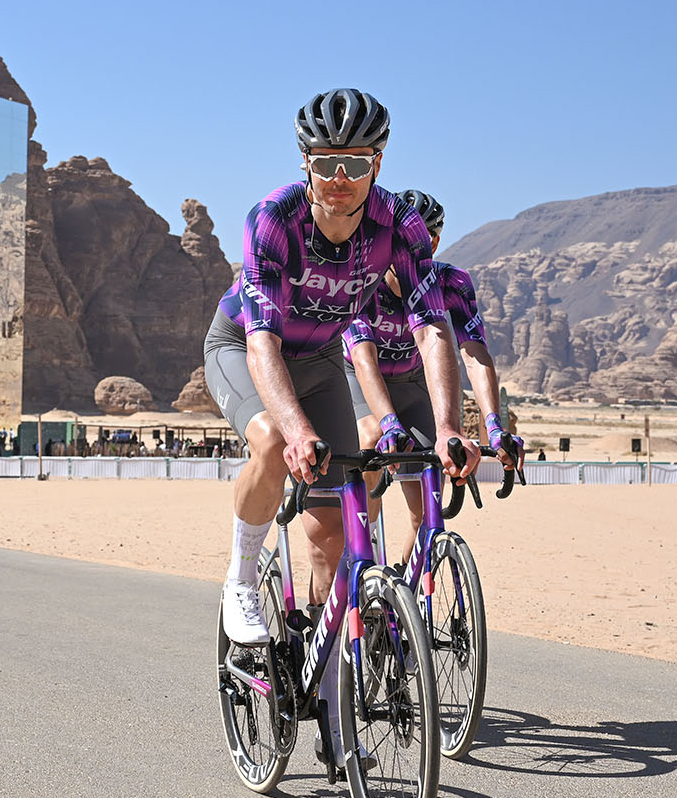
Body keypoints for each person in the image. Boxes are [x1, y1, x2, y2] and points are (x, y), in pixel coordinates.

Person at [204, 89, 476, 651]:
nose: (339, 178)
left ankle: (329, 677)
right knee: (276, 439)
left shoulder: (399, 226)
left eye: (355, 163)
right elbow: (261, 343)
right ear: (306, 161)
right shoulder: (275, 218)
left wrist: (448, 425)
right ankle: (241, 578)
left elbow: (431, 327)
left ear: (377, 162)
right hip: (245, 348)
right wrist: (300, 431)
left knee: (331, 534)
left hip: (322, 358)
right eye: (326, 162)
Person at [343, 191, 524, 565]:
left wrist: (495, 425)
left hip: (412, 384)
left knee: (427, 510)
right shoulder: (362, 281)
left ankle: (401, 599)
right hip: (359, 377)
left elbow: (473, 354)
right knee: (372, 437)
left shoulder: (451, 283)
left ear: (433, 242)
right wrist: (389, 423)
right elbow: (364, 360)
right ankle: (367, 566)